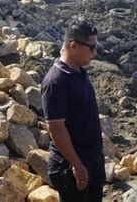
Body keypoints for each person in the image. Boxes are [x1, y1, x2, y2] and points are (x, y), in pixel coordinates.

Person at [41, 20, 105, 202]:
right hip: (71, 167)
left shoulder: (78, 71)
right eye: (91, 48)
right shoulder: (56, 81)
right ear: (73, 45)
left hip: (91, 161)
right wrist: (77, 165)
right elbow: (56, 128)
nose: (95, 53)